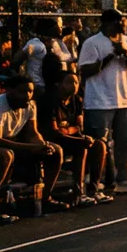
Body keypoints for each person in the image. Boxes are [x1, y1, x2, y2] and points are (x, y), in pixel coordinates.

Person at [78, 8, 127, 196]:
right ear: (110, 23)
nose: (125, 25)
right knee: (100, 144)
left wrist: (126, 56)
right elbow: (84, 70)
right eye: (122, 22)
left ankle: (124, 179)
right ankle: (98, 181)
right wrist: (109, 57)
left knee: (125, 142)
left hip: (125, 98)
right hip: (100, 100)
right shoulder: (92, 43)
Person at [0, 74, 69, 214]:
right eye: (22, 91)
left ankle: (45, 198)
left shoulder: (30, 104)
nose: (27, 95)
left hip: (11, 141)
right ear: (9, 90)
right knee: (5, 155)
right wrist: (32, 147)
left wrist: (42, 145)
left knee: (56, 151)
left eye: (30, 91)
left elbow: (33, 132)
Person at [40, 62, 105, 205]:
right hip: (54, 140)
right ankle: (78, 193)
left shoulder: (77, 101)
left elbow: (79, 126)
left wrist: (69, 130)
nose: (74, 85)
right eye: (70, 82)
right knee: (81, 146)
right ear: (59, 84)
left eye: (76, 82)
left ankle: (93, 190)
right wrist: (71, 131)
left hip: (70, 137)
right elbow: (54, 131)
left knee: (99, 144)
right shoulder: (50, 102)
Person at [20, 16, 75, 89]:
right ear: (50, 29)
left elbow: (68, 58)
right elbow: (21, 55)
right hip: (37, 85)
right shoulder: (37, 44)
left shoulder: (54, 43)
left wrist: (66, 42)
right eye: (58, 26)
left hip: (47, 86)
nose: (60, 28)